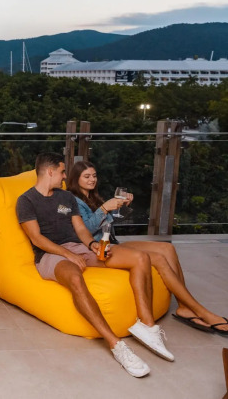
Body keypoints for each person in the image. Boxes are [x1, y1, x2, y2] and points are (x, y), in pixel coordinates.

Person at [17, 153, 172, 378]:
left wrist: (93, 245)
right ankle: (117, 345)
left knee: (140, 258)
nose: (64, 176)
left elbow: (80, 229)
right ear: (50, 171)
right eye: (62, 172)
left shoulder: (66, 197)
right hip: (50, 254)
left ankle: (146, 326)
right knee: (75, 277)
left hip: (78, 247)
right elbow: (36, 238)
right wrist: (67, 254)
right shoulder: (26, 200)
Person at [68, 160, 228, 336]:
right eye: (87, 176)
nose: (92, 179)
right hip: (98, 246)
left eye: (94, 175)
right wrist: (105, 208)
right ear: (76, 179)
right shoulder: (73, 200)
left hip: (112, 241)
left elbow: (111, 221)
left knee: (167, 249)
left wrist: (123, 207)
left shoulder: (92, 197)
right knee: (158, 258)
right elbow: (85, 230)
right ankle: (200, 311)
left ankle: (183, 307)